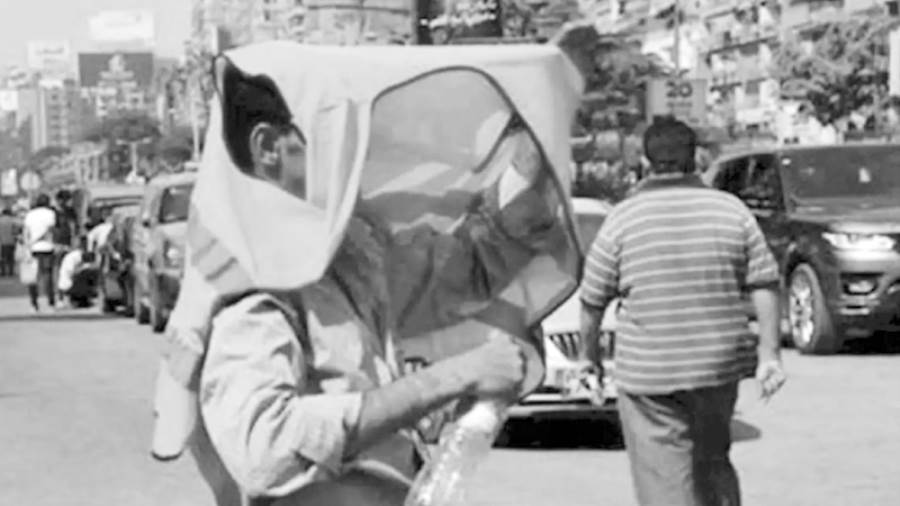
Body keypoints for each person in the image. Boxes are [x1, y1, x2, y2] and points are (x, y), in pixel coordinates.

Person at [175, 60, 565, 506]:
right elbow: (265, 451)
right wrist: (454, 376)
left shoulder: (351, 253)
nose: (358, 153)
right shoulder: (248, 283)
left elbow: (473, 264)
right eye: (337, 134)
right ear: (269, 148)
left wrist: (538, 133)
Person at [578, 118, 787, 506]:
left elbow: (592, 299)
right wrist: (769, 355)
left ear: (645, 161)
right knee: (713, 459)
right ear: (696, 158)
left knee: (664, 476)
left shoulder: (623, 218)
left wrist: (589, 360)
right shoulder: (731, 211)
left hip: (650, 373)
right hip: (717, 367)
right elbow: (764, 281)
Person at [23, 194, 57, 311]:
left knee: (32, 277)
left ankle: (34, 304)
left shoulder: (30, 214)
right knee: (48, 275)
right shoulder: (50, 213)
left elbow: (26, 232)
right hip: (47, 247)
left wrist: (27, 246)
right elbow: (51, 230)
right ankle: (51, 302)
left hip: (33, 248)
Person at [0, 208, 18, 277]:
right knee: (11, 258)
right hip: (11, 241)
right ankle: (11, 272)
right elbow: (16, 232)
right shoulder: (13, 221)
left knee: (3, 257)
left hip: (2, 242)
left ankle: (3, 272)